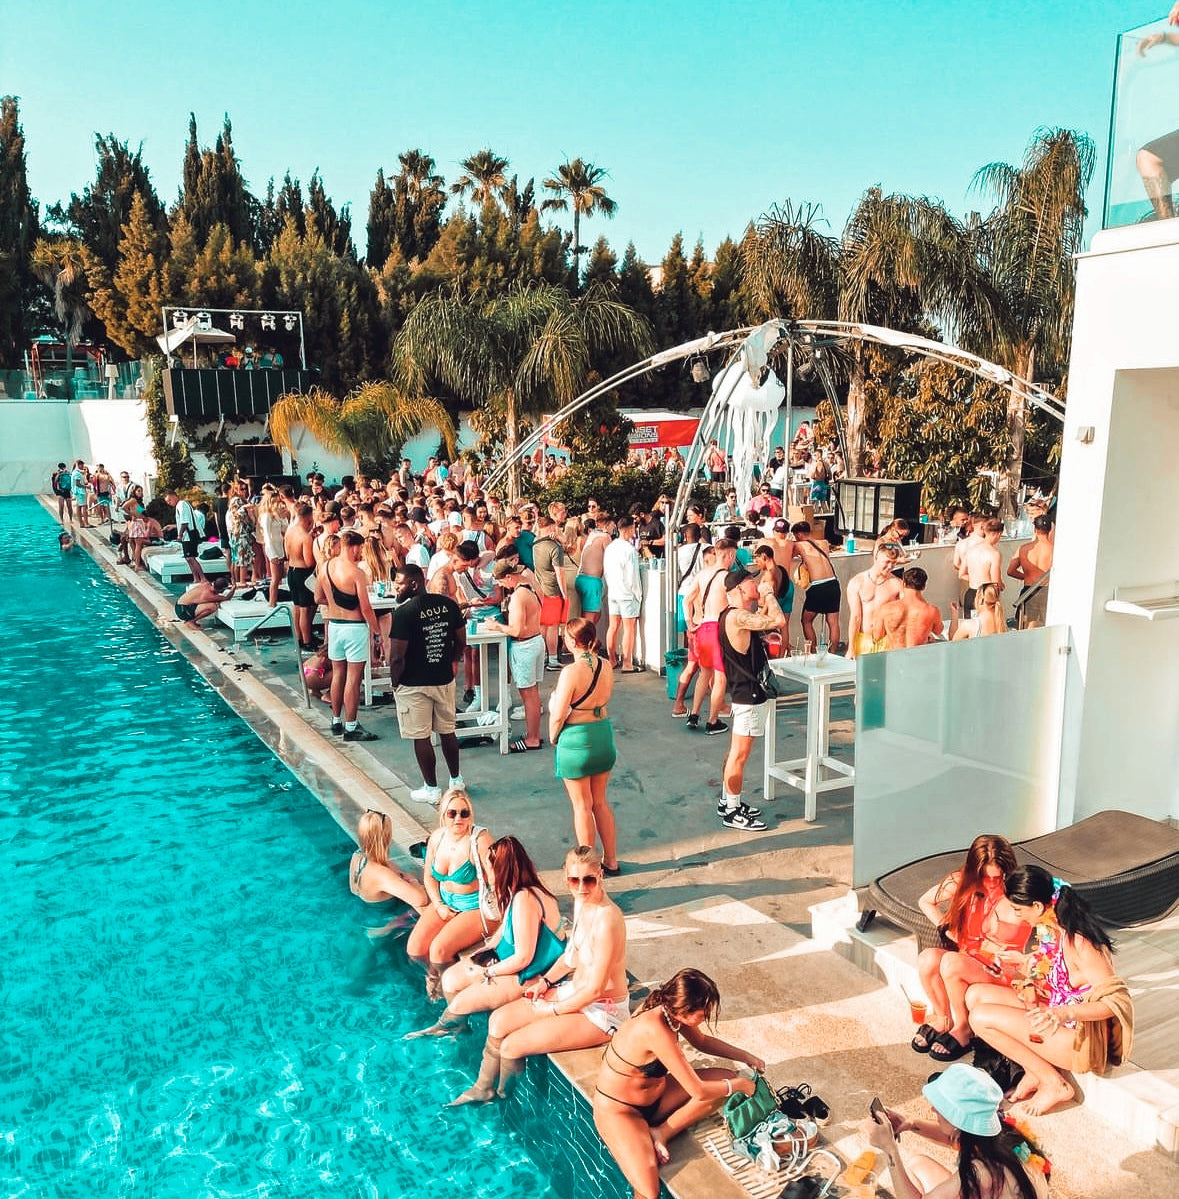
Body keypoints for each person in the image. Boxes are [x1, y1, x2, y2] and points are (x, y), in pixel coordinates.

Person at [450, 845, 629, 1106]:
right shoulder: (582, 902)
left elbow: (595, 989)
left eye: (589, 879)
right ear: (566, 876)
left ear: (600, 875)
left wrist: (552, 1010)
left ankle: (508, 1102)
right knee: (499, 1021)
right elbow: (571, 956)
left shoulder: (607, 919)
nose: (581, 887)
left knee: (512, 1046)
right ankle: (484, 1088)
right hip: (574, 993)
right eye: (574, 879)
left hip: (602, 1011)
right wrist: (545, 982)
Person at [966, 865, 1133, 1118]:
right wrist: (1022, 962)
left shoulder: (1082, 942)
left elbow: (1116, 1002)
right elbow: (1050, 967)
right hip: (1057, 1015)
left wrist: (1061, 1014)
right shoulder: (1053, 926)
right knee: (976, 995)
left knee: (980, 1018)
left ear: (1037, 906)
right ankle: (1034, 1070)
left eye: (1018, 910)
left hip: (1080, 1039)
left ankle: (1055, 1083)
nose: (1018, 917)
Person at [593, 969, 765, 1198]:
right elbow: (698, 1090)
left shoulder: (671, 1012)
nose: (707, 1015)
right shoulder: (654, 1028)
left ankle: (661, 1132)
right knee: (648, 1191)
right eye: (704, 1012)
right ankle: (645, 1136)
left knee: (726, 1081)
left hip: (658, 1098)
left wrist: (746, 1056)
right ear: (684, 1008)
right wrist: (742, 1085)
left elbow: (701, 1041)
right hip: (621, 1111)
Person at [408, 836, 564, 1036]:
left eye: (488, 867)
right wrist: (489, 947)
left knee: (461, 1002)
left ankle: (442, 1029)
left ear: (501, 869)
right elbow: (506, 925)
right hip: (515, 960)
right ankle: (458, 1027)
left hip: (533, 971)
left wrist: (487, 973)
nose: (485, 873)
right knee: (450, 980)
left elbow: (524, 957)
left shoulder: (525, 899)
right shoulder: (516, 889)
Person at [910, 835, 1030, 1064]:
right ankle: (944, 1018)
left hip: (1001, 967)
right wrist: (947, 929)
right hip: (972, 959)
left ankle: (964, 1028)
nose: (993, 882)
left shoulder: (1016, 892)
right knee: (927, 959)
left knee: (951, 963)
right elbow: (925, 901)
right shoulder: (963, 882)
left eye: (999, 876)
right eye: (986, 876)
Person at [868, 1063, 1051, 1199]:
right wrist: (910, 1123)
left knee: (911, 1174)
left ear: (957, 1119)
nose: (933, 1109)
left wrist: (889, 1150)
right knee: (918, 1164)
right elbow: (954, 1137)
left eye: (940, 1106)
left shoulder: (980, 1173)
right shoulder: (1005, 1135)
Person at [406, 790, 496, 1001]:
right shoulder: (437, 838)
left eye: (464, 813)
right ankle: (441, 977)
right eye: (452, 813)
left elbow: (497, 880)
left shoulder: (480, 840)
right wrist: (438, 905)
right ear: (443, 814)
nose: (458, 818)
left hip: (474, 908)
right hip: (445, 902)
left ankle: (451, 999)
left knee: (439, 949)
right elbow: (429, 878)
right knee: (415, 949)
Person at [387, 563, 466, 800]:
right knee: (447, 731)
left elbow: (397, 657)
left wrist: (394, 684)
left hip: (414, 683)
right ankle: (456, 780)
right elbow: (461, 640)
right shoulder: (448, 605)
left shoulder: (403, 613)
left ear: (414, 584)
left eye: (399, 584)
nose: (395, 588)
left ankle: (431, 788)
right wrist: (453, 660)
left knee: (420, 736)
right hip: (443, 679)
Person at [716, 565, 785, 830]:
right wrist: (768, 594)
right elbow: (777, 621)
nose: (756, 585)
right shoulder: (737, 617)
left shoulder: (732, 615)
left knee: (736, 752)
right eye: (751, 582)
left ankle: (728, 800)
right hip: (748, 693)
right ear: (739, 589)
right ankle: (732, 811)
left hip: (745, 691)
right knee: (739, 755)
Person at [550, 617, 620, 876]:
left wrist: (553, 736)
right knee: (600, 802)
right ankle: (611, 860)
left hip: (576, 740)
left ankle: (587, 867)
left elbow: (558, 713)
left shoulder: (571, 672)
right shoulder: (606, 665)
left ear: (570, 641)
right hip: (602, 735)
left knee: (582, 806)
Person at [314, 529, 381, 742]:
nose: (360, 553)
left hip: (334, 626)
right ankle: (351, 726)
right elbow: (366, 608)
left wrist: (336, 604)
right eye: (360, 548)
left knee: (338, 674)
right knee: (353, 678)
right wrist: (377, 632)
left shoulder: (324, 567)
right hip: (354, 628)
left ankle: (336, 720)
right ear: (353, 546)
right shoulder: (356, 572)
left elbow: (318, 597)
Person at [485, 559, 546, 752]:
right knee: (533, 693)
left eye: (502, 582)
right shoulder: (531, 587)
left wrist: (497, 626)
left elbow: (517, 630)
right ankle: (533, 734)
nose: (502, 586)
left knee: (528, 695)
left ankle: (533, 738)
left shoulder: (519, 596)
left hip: (525, 646)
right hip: (536, 640)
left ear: (509, 577)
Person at [350, 808, 429, 935]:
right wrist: (414, 881)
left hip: (364, 910)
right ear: (385, 839)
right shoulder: (381, 874)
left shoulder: (358, 856)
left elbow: (392, 869)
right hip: (384, 921)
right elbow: (420, 899)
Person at [846, 542, 902, 658]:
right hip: (863, 639)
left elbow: (909, 609)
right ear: (876, 558)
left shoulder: (897, 584)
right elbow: (855, 617)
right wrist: (851, 647)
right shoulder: (857, 582)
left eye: (894, 563)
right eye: (887, 562)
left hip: (886, 640)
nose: (890, 566)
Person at [602, 516, 644, 673]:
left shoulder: (610, 547)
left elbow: (606, 570)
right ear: (629, 529)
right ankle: (627, 663)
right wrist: (637, 594)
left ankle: (611, 659)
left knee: (613, 627)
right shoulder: (630, 550)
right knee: (629, 629)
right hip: (627, 594)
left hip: (613, 591)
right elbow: (633, 577)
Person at [531, 514, 570, 671]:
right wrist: (565, 594)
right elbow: (559, 572)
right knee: (553, 627)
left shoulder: (535, 544)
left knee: (542, 626)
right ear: (552, 527)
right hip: (553, 589)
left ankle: (543, 657)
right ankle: (553, 659)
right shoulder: (554, 547)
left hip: (540, 590)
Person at [871, 567, 944, 650]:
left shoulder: (886, 609)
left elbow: (876, 637)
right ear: (923, 586)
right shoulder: (931, 611)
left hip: (895, 657)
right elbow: (938, 631)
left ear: (904, 584)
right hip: (918, 656)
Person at [1007, 515, 1053, 628]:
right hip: (1048, 591)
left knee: (1025, 627)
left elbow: (1010, 571)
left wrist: (1025, 576)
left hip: (1029, 590)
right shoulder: (1055, 549)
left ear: (1035, 529)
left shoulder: (1024, 549)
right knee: (1048, 625)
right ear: (1050, 529)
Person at [284, 502, 318, 650]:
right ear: (308, 518)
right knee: (305, 608)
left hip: (291, 570)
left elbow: (286, 554)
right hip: (303, 573)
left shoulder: (289, 532)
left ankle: (299, 637)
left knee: (296, 606)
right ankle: (307, 640)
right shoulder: (305, 537)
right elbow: (309, 561)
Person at [962, 519, 1004, 616]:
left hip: (971, 592)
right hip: (985, 596)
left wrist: (974, 579)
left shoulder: (971, 550)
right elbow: (995, 581)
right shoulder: (994, 554)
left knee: (971, 628)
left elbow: (962, 574)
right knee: (986, 629)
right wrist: (1001, 586)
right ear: (998, 534)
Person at [575, 518, 610, 627]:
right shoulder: (605, 537)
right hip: (592, 581)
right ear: (607, 525)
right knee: (589, 619)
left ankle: (587, 639)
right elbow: (611, 556)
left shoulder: (591, 536)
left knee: (592, 615)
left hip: (580, 578)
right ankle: (585, 642)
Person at [257, 488, 288, 608]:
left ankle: (274, 600)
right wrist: (272, 554)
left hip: (279, 546)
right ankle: (272, 602)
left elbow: (285, 529)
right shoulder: (266, 516)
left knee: (279, 577)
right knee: (275, 578)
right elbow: (267, 536)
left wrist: (284, 516)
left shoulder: (276, 515)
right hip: (272, 548)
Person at [167, 489, 207, 583]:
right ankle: (196, 578)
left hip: (190, 534)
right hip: (188, 535)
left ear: (174, 496)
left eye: (169, 500)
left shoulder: (181, 505)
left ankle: (203, 578)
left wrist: (179, 535)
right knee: (188, 558)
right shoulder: (181, 505)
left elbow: (185, 522)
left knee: (191, 557)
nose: (169, 503)